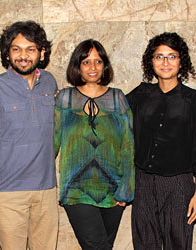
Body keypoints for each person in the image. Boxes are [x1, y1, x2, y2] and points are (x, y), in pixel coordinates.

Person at [54, 39, 135, 250]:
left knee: (104, 246)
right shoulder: (65, 99)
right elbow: (52, 143)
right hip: (76, 190)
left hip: (113, 192)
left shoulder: (118, 99)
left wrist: (125, 189)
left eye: (98, 61)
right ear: (77, 65)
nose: (92, 67)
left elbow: (128, 146)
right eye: (86, 62)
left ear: (104, 65)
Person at [126, 32, 196, 250]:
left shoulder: (194, 101)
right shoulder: (139, 95)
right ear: (151, 61)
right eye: (159, 57)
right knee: (144, 243)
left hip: (179, 184)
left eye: (172, 56)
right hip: (143, 183)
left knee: (178, 243)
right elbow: (111, 114)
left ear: (181, 61)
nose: (165, 62)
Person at [0, 21, 58, 250]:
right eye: (16, 49)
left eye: (30, 49)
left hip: (46, 190)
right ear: (7, 54)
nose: (23, 55)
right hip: (7, 193)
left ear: (41, 53)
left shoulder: (50, 81)